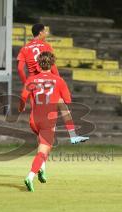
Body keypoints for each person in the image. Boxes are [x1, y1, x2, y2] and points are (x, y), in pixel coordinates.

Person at [19, 51, 89, 192]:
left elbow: (23, 98)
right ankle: (30, 176)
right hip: (47, 121)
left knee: (45, 145)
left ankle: (42, 169)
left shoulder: (32, 80)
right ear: (52, 64)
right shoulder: (59, 80)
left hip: (33, 120)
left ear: (38, 65)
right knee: (43, 152)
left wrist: (20, 108)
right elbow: (68, 101)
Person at [17, 23, 89, 145]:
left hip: (34, 84)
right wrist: (58, 82)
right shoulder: (46, 46)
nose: (47, 33)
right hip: (50, 82)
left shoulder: (25, 48)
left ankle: (44, 143)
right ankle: (72, 136)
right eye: (45, 31)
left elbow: (19, 68)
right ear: (40, 33)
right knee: (63, 107)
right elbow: (53, 66)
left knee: (37, 116)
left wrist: (26, 83)